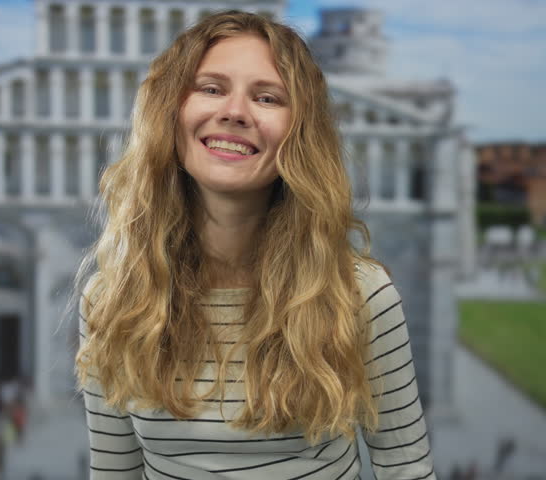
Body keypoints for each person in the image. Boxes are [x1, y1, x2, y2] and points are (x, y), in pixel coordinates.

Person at [74, 10, 436, 480]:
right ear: (171, 112)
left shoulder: (359, 294)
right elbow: (113, 472)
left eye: (267, 97)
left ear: (298, 134)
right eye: (210, 88)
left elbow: (406, 470)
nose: (235, 112)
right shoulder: (112, 301)